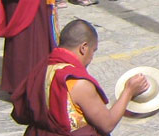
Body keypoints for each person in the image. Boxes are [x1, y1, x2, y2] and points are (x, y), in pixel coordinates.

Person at [11, 19, 150, 136]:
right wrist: (129, 91)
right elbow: (107, 124)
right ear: (84, 47)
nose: (91, 57)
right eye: (93, 50)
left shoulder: (41, 68)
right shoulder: (77, 83)